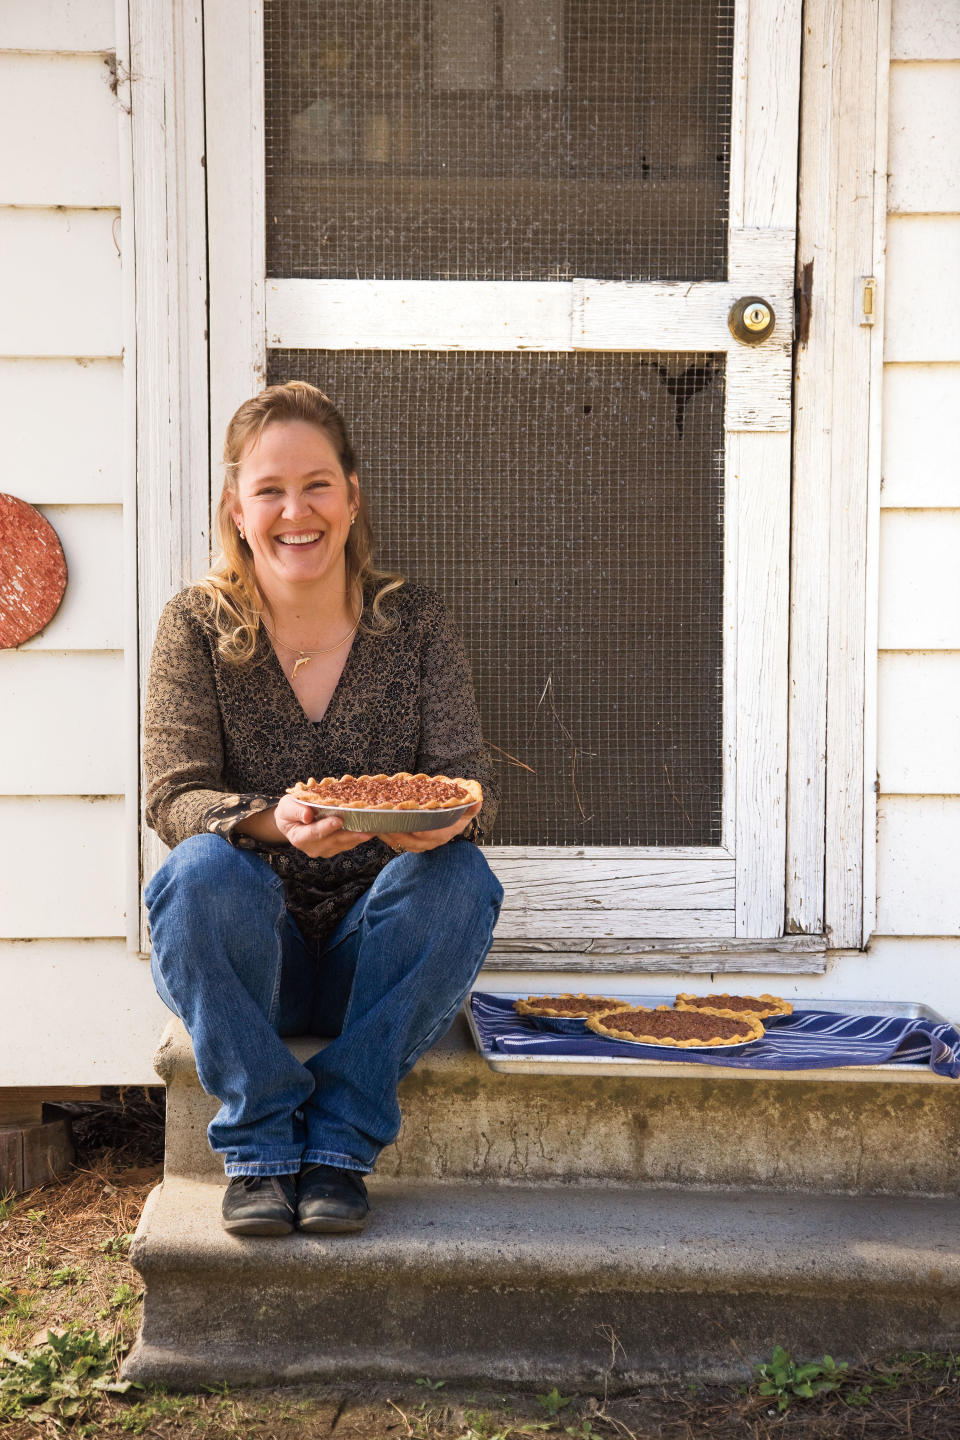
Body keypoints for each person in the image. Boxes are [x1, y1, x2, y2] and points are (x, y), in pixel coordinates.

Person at [143, 380, 503, 1238]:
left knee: (461, 877)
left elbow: (464, 781)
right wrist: (275, 819)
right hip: (247, 953)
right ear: (236, 506)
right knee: (194, 873)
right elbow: (173, 794)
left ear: (350, 498)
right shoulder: (196, 625)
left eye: (316, 485)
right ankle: (262, 1149)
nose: (293, 511)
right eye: (269, 489)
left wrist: (440, 822)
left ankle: (341, 1141)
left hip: (366, 962)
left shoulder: (414, 621)